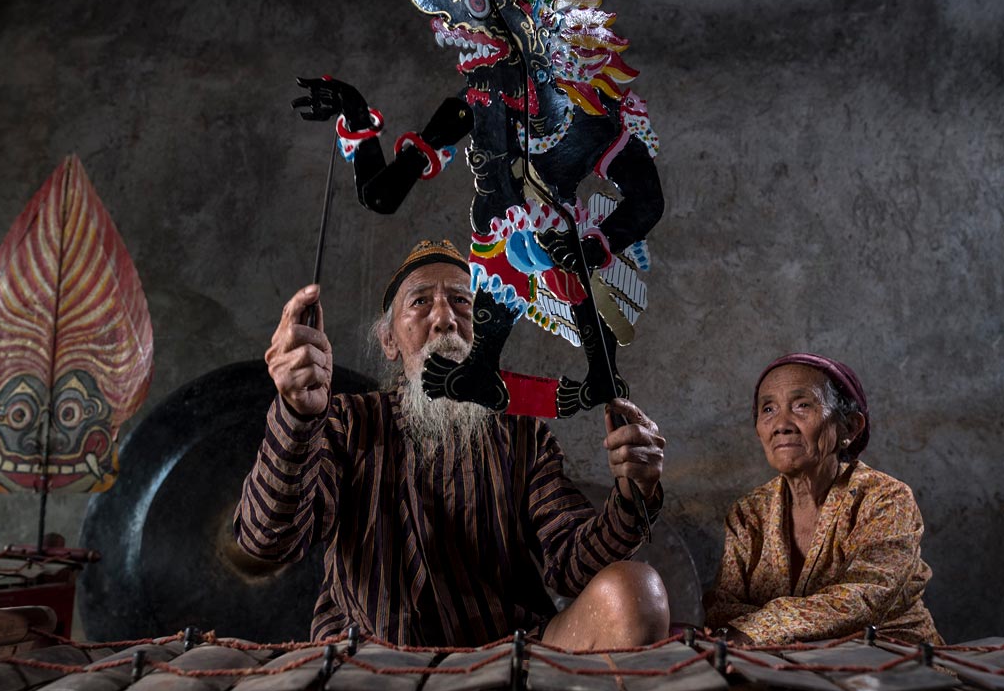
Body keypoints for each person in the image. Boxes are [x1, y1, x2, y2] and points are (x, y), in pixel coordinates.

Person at [234, 239, 669, 649]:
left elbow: (573, 567)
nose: (444, 318)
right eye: (420, 302)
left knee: (635, 593)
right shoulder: (346, 422)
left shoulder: (523, 435)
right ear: (389, 341)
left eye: (462, 301)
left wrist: (633, 494)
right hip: (372, 665)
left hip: (510, 659)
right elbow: (267, 541)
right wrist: (297, 416)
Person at [704, 353, 942, 645]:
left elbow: (864, 597)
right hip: (780, 667)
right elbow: (722, 607)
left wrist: (757, 628)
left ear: (850, 428)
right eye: (768, 409)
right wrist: (760, 631)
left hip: (892, 664)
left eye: (802, 405)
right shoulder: (747, 513)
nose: (781, 424)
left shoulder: (886, 499)